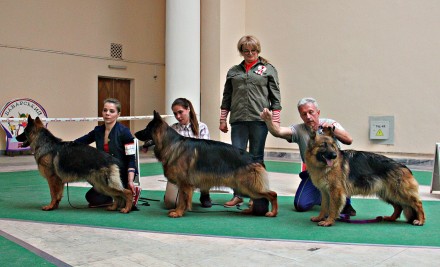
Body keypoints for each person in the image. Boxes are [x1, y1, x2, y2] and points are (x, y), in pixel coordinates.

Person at [260, 97, 356, 216]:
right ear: (301, 116)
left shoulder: (331, 124)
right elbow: (278, 132)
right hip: (313, 173)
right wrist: (269, 121)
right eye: (304, 114)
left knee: (342, 197)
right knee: (301, 205)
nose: (308, 117)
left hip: (334, 172)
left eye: (311, 112)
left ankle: (343, 201)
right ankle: (325, 199)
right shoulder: (298, 130)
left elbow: (349, 140)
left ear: (318, 112)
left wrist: (333, 130)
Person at [219, 35, 282, 207]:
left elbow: (275, 97)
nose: (250, 54)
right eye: (246, 51)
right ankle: (238, 194)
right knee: (237, 157)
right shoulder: (233, 71)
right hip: (238, 120)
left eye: (253, 51)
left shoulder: (268, 69)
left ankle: (258, 196)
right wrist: (223, 119)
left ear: (258, 50)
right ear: (241, 51)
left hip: (259, 120)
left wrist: (275, 121)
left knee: (256, 158)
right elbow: (227, 96)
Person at [75, 98, 140, 210]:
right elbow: (79, 142)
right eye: (105, 110)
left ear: (118, 114)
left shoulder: (125, 132)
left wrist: (130, 181)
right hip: (104, 172)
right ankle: (112, 196)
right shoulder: (98, 130)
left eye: (111, 111)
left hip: (120, 173)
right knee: (91, 198)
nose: (107, 114)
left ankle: (121, 194)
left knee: (117, 198)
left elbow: (131, 159)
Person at [169, 97, 212, 208]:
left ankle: (205, 193)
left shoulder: (202, 127)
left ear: (188, 109)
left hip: (197, 166)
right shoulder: (172, 129)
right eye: (175, 114)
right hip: (179, 169)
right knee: (170, 203)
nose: (178, 116)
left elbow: (205, 151)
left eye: (180, 112)